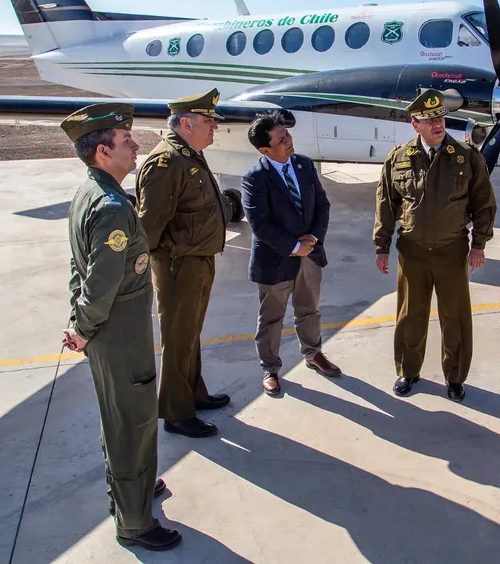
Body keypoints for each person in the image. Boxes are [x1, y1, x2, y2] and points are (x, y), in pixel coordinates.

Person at [61, 102, 181, 551]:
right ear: (102, 153)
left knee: (125, 418)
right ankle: (134, 522)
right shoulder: (111, 206)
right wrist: (85, 327)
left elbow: (81, 270)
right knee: (131, 424)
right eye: (125, 141)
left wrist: (78, 322)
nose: (135, 146)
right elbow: (101, 280)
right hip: (118, 334)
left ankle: (137, 488)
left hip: (107, 331)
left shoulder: (91, 192)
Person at [373, 89, 497, 402]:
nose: (438, 123)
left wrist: (479, 245)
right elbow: (386, 204)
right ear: (415, 125)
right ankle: (408, 371)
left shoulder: (466, 156)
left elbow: (484, 204)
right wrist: (381, 246)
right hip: (412, 252)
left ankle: (455, 378)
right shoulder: (399, 159)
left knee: (454, 318)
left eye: (440, 117)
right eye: (429, 120)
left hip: (451, 250)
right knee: (410, 316)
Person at [135, 89, 234, 438]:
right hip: (178, 265)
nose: (214, 129)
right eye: (209, 122)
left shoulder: (188, 153)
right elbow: (148, 226)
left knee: (190, 334)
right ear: (187, 123)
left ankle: (193, 393)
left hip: (196, 260)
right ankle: (176, 413)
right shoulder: (167, 162)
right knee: (178, 338)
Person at [241, 111, 341, 395]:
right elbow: (261, 224)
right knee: (271, 318)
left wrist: (312, 238)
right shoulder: (254, 178)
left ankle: (313, 354)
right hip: (275, 260)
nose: (288, 140)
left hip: (310, 254)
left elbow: (322, 205)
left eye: (287, 134)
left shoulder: (304, 165)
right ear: (264, 149)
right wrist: (295, 246)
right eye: (281, 138)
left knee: (309, 310)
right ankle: (270, 368)